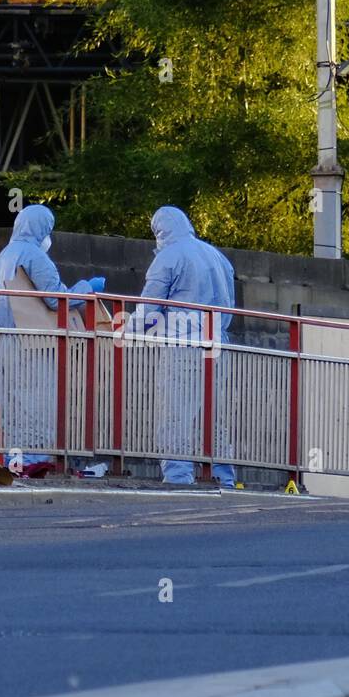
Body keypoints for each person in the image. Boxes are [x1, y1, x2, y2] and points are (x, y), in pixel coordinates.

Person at [0, 204, 105, 476]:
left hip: (6, 341)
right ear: (41, 228)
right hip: (34, 345)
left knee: (13, 407)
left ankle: (16, 462)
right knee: (38, 405)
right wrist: (88, 288)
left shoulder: (3, 256)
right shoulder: (34, 256)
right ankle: (35, 462)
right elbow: (56, 300)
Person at [136, 205, 237, 487]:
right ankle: (222, 477)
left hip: (183, 348)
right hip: (218, 345)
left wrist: (123, 330)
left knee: (175, 414)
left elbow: (148, 310)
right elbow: (229, 304)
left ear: (160, 230)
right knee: (214, 417)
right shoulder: (217, 256)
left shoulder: (169, 257)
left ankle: (178, 477)